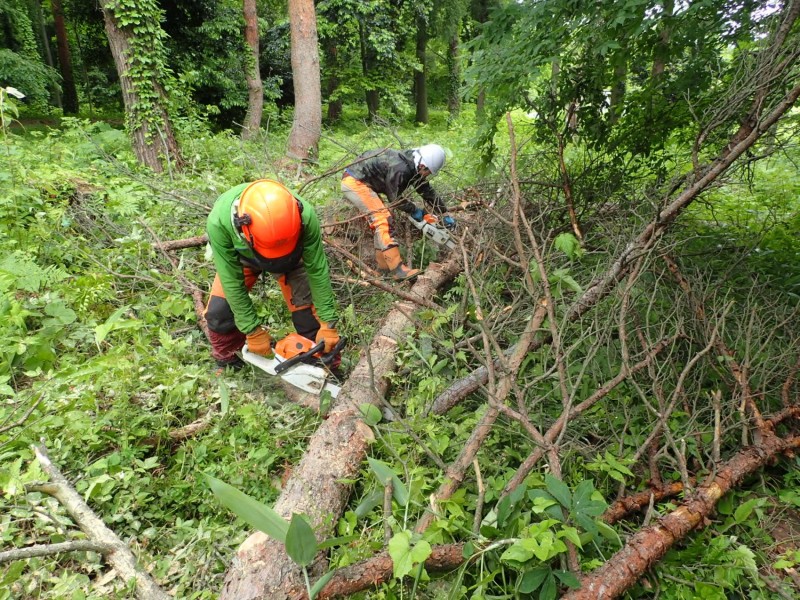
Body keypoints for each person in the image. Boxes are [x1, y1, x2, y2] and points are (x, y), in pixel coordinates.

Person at [204, 179, 340, 370]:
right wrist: (251, 330)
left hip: (293, 259)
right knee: (219, 314)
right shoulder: (219, 223)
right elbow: (232, 282)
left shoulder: (305, 215)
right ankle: (229, 363)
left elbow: (317, 270)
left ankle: (324, 370)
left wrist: (328, 322)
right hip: (243, 258)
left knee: (309, 319)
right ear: (243, 228)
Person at [341, 143, 456, 281]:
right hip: (355, 182)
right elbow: (394, 199)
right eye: (428, 172)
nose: (427, 175)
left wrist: (444, 213)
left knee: (381, 221)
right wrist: (415, 211)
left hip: (363, 183)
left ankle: (383, 269)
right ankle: (398, 270)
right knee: (383, 220)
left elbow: (425, 190)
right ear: (422, 165)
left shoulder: (412, 165)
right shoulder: (401, 169)